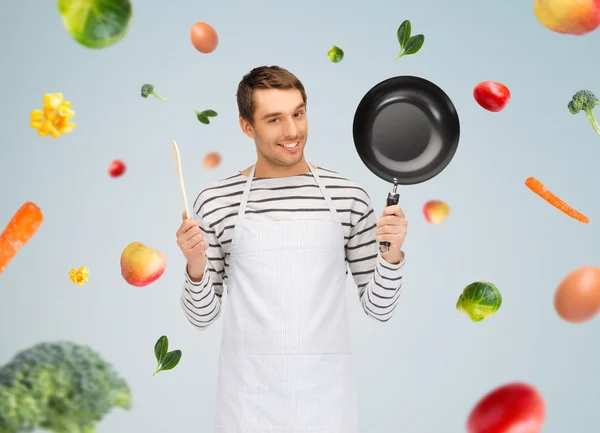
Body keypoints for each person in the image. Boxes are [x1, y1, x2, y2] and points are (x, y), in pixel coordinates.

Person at [175, 65, 408, 433]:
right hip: (247, 400)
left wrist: (391, 254)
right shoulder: (215, 201)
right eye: (274, 119)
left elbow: (379, 308)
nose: (292, 131)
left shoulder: (348, 197)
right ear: (247, 127)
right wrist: (195, 265)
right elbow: (201, 317)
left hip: (325, 399)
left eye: (298, 113)